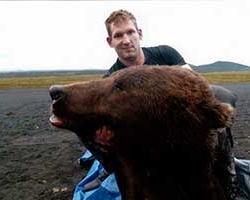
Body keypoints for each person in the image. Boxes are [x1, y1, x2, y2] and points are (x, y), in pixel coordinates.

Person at [78, 9, 241, 199]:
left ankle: (230, 177)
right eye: (118, 35)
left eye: (130, 32)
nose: (126, 39)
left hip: (179, 130)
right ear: (110, 41)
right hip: (144, 139)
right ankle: (111, 169)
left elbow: (195, 86)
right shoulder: (111, 80)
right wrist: (104, 139)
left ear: (139, 34)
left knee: (216, 109)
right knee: (92, 132)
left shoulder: (165, 54)